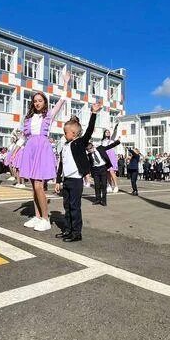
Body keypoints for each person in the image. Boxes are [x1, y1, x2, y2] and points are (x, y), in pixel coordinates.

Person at [20, 71, 71, 233]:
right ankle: (37, 216)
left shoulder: (48, 115)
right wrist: (13, 152)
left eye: (40, 100)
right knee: (33, 187)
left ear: (45, 102)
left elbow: (62, 100)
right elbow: (23, 137)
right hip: (30, 149)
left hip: (42, 149)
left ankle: (45, 218)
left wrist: (65, 83)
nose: (37, 103)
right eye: (35, 101)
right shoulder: (28, 118)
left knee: (39, 186)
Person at [54, 101, 101, 242]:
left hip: (76, 181)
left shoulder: (79, 143)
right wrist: (58, 181)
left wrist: (93, 113)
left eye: (65, 133)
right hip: (66, 180)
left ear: (73, 133)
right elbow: (61, 165)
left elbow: (89, 131)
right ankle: (68, 230)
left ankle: (76, 233)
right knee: (67, 206)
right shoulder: (65, 147)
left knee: (75, 207)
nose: (64, 135)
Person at [88, 137, 121, 206]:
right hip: (96, 170)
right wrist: (90, 174)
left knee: (103, 185)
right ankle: (97, 199)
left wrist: (117, 142)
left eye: (90, 149)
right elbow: (90, 164)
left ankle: (104, 200)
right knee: (97, 186)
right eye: (88, 150)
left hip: (103, 168)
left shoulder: (100, 148)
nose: (89, 151)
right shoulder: (89, 155)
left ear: (93, 147)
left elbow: (109, 146)